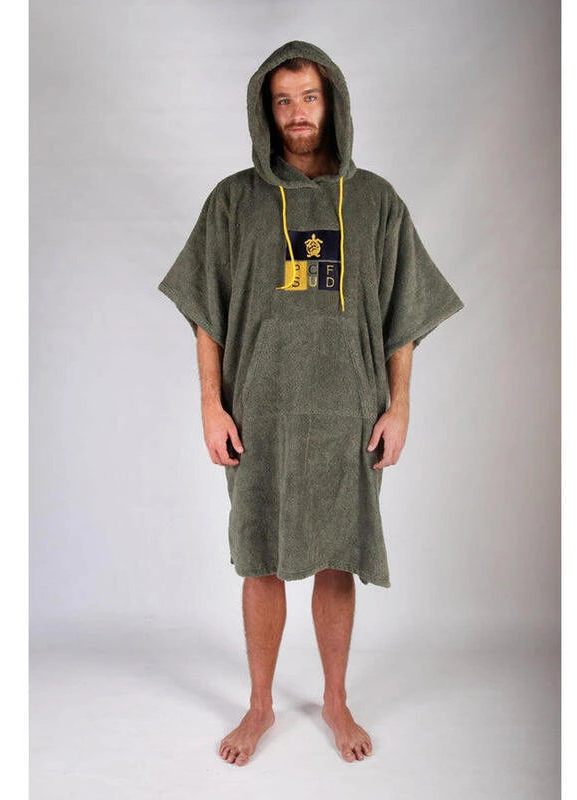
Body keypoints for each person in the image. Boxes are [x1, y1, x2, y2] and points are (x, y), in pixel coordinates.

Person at [157, 41, 463, 766]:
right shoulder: (234, 201)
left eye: (310, 98)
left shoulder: (377, 201)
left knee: (337, 555)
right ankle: (260, 704)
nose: (297, 113)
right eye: (283, 100)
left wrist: (399, 407)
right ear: (266, 110)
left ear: (334, 104)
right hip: (258, 412)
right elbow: (205, 314)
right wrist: (211, 405)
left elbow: (404, 316)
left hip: (349, 413)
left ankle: (334, 699)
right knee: (260, 556)